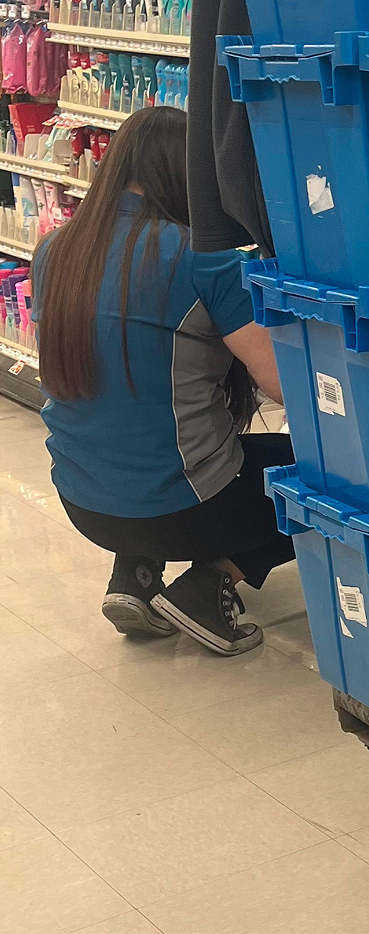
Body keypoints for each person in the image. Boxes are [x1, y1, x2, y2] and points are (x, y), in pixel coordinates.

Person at [34, 105, 292, 656]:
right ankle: (209, 583)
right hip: (181, 509)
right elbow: (280, 386)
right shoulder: (201, 257)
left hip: (81, 502)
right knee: (320, 480)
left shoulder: (56, 251)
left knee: (138, 428)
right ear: (188, 175)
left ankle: (135, 576)